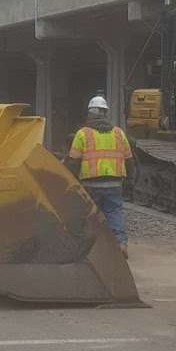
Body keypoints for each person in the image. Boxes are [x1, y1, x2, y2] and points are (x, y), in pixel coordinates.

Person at [66, 95, 134, 252]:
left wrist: (70, 182)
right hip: (115, 183)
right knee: (114, 211)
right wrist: (130, 181)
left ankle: (91, 248)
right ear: (105, 113)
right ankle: (120, 243)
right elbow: (129, 160)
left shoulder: (82, 134)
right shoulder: (119, 133)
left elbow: (73, 162)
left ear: (89, 114)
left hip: (90, 184)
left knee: (90, 214)